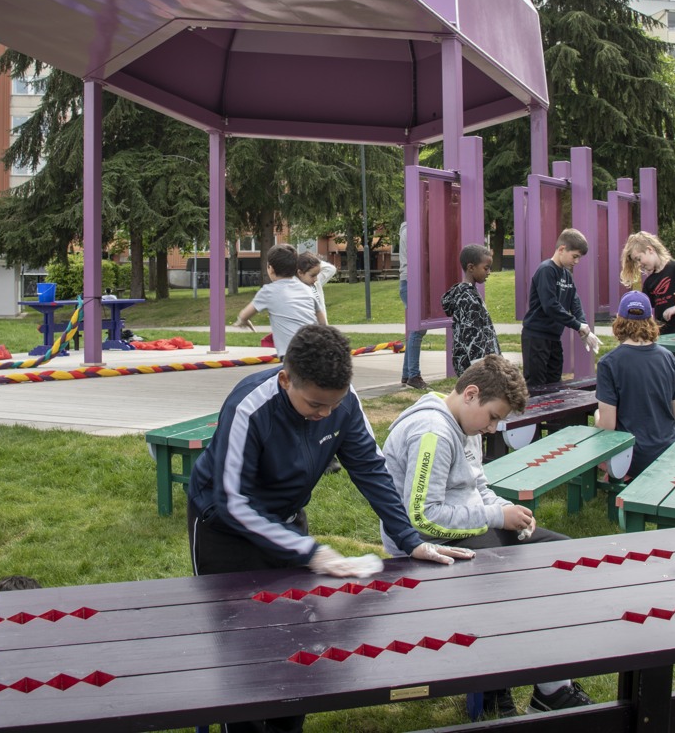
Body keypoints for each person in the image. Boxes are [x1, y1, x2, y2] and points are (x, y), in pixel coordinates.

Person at [187, 324, 474, 733]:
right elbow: (234, 502)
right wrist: (311, 552)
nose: (325, 414)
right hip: (224, 529)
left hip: (285, 520)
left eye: (333, 405)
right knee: (241, 652)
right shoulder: (250, 406)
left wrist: (410, 541)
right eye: (315, 404)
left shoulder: (342, 402)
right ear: (286, 380)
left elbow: (370, 468)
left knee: (299, 639)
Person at [381, 353, 592, 715]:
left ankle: (528, 683)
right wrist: (496, 516)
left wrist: (509, 512)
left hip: (464, 535)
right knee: (519, 580)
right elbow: (420, 519)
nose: (493, 428)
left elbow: (478, 488)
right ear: (471, 394)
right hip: (428, 549)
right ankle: (546, 689)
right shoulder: (432, 432)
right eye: (493, 417)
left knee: (565, 558)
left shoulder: (467, 424)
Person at [594, 291, 675, 480]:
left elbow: (607, 426)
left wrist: (597, 417)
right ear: (650, 320)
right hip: (669, 451)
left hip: (633, 457)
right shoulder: (668, 357)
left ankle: (618, 476)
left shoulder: (609, 363)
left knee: (599, 423)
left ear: (619, 320)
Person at [521, 228, 599, 388]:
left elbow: (574, 303)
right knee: (536, 386)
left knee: (555, 384)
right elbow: (550, 306)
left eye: (579, 258)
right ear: (562, 249)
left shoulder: (567, 275)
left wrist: (584, 328)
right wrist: (577, 325)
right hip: (536, 337)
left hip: (554, 337)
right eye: (575, 256)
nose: (576, 261)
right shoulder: (546, 270)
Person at [232, 244, 319, 358]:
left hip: (292, 355)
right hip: (316, 349)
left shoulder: (268, 291)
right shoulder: (307, 289)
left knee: (258, 377)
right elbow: (320, 318)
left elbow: (244, 315)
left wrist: (243, 321)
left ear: (270, 269)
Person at [441, 243, 501, 376]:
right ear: (471, 268)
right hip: (476, 371)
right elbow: (474, 340)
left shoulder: (468, 294)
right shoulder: (468, 299)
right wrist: (485, 373)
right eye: (486, 268)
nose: (489, 272)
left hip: (473, 368)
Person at [397, 220, 429, 391]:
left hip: (409, 282)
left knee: (414, 330)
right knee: (417, 329)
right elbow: (418, 256)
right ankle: (414, 375)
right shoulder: (412, 230)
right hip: (411, 282)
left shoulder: (408, 228)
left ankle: (407, 374)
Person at [295, 251, 335, 324]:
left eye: (317, 275)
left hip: (321, 329)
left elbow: (331, 269)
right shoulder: (295, 289)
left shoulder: (316, 283)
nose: (316, 278)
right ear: (300, 273)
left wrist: (314, 261)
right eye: (313, 275)